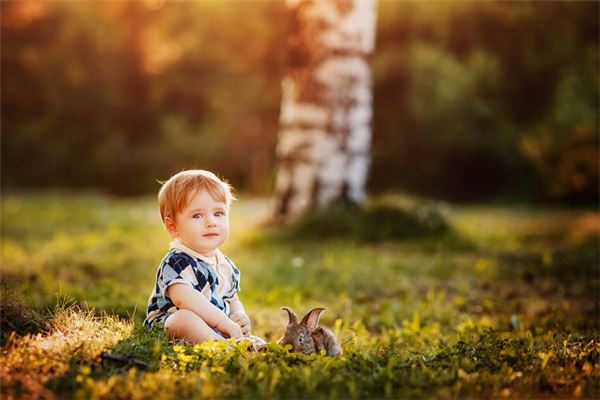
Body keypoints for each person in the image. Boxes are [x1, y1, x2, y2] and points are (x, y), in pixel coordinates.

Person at [144, 169, 264, 347]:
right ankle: (225, 347)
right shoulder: (177, 261)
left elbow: (232, 299)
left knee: (255, 339)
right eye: (197, 215)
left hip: (213, 327)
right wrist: (223, 322)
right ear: (173, 226)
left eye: (218, 213)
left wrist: (238, 316)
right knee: (183, 319)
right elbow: (183, 298)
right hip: (169, 325)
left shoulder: (225, 265)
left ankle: (234, 344)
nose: (211, 222)